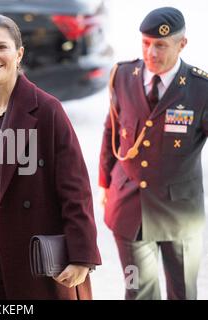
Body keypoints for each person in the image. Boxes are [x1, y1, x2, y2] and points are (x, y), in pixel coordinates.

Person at [0, 14, 101, 300]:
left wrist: (82, 256)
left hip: (35, 261)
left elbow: (75, 189)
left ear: (18, 54)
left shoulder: (47, 111)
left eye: (0, 47)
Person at [99, 7, 208, 300]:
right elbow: (111, 131)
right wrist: (104, 183)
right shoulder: (123, 75)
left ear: (181, 44)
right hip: (130, 209)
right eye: (146, 43)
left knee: (182, 292)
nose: (151, 52)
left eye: (160, 45)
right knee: (138, 291)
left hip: (179, 214)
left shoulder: (201, 89)